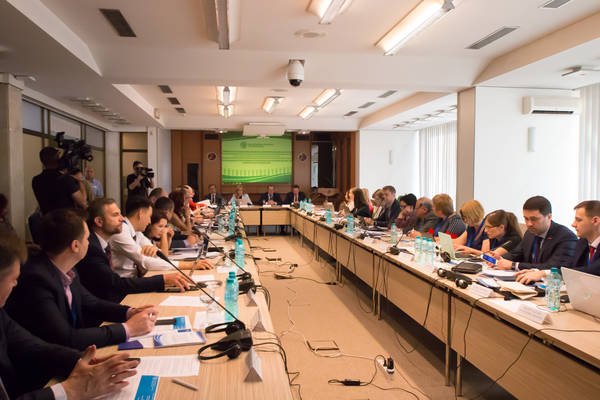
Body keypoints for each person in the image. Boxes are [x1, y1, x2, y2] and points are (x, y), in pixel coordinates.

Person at [0, 227, 140, 400]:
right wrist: (68, 391)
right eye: (13, 279)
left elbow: (33, 346)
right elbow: (65, 338)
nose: (16, 284)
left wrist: (84, 361)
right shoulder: (36, 278)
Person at [5, 209, 159, 350]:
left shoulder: (68, 270)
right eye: (87, 238)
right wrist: (128, 329)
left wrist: (130, 312)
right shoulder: (37, 280)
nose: (89, 242)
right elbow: (67, 338)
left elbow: (92, 303)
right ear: (75, 246)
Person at [76, 199, 190, 304]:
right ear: (99, 221)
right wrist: (163, 279)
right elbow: (115, 283)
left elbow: (156, 257)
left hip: (122, 291)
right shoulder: (93, 248)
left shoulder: (133, 233)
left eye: (120, 214)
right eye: (116, 215)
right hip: (114, 298)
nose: (122, 218)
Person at [109, 196, 209, 278]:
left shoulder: (137, 232)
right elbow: (145, 261)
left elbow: (159, 256)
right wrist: (190, 265)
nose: (149, 222)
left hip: (135, 279)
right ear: (141, 214)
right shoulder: (121, 231)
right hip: (124, 284)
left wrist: (155, 250)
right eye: (149, 216)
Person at [517, 200, 600, 283]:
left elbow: (590, 272)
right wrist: (537, 271)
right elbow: (568, 268)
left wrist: (543, 274)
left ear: (595, 221)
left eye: (578, 220)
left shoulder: (567, 236)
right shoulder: (583, 242)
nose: (573, 224)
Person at [489, 196, 577, 271]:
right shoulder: (530, 233)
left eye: (534, 219)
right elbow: (517, 254)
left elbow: (554, 267)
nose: (529, 224)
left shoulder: (566, 237)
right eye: (526, 219)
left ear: (549, 217)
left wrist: (514, 265)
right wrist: (500, 259)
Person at [32, 147, 85, 214]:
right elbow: (82, 202)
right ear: (57, 159)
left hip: (47, 218)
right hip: (66, 218)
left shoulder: (36, 180)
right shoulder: (66, 179)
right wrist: (80, 181)